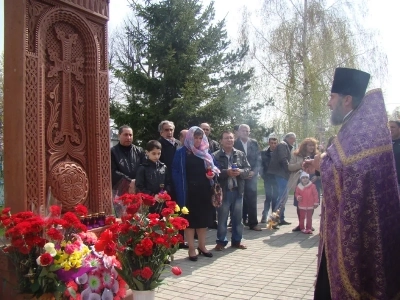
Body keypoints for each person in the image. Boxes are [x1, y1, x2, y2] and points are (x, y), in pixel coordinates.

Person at [303, 67, 400, 299]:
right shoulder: (355, 128)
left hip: (357, 229)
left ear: (346, 100)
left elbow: (356, 169)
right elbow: (346, 165)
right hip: (345, 226)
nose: (328, 103)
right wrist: (324, 164)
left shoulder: (361, 132)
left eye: (332, 97)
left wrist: (321, 166)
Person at [172, 126, 220, 261]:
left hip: (204, 190)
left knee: (203, 221)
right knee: (190, 221)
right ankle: (192, 248)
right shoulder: (182, 152)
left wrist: (213, 174)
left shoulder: (206, 152)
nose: (198, 141)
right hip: (188, 192)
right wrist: (178, 188)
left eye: (200, 138)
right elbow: (175, 171)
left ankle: (202, 246)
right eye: (195, 138)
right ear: (189, 138)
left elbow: (215, 168)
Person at [213, 131, 251, 251]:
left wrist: (240, 171)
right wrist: (226, 172)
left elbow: (248, 169)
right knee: (222, 218)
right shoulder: (215, 155)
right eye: (226, 138)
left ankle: (237, 241)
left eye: (231, 138)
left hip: (238, 191)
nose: (229, 140)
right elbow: (214, 173)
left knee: (237, 219)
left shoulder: (240, 154)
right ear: (221, 141)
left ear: (234, 139)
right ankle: (221, 241)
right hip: (223, 192)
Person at [289, 137, 320, 232]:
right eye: (309, 145)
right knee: (299, 203)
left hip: (313, 181)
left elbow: (321, 168)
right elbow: (290, 167)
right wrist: (301, 163)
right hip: (300, 181)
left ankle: (309, 225)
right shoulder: (296, 154)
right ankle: (300, 224)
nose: (311, 147)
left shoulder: (317, 156)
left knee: (311, 203)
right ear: (304, 146)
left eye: (313, 146)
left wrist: (318, 176)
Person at [234, 124, 261, 230]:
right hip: (239, 176)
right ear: (239, 132)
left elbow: (258, 159)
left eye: (247, 131)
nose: (245, 133)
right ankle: (236, 223)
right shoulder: (235, 143)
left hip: (252, 176)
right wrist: (242, 173)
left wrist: (254, 172)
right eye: (243, 131)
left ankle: (253, 223)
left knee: (252, 199)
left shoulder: (253, 143)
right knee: (237, 200)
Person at [267, 132, 296, 225]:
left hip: (281, 174)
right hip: (281, 174)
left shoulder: (284, 145)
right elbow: (283, 159)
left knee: (283, 197)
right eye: (293, 139)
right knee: (282, 197)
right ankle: (273, 221)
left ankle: (280, 218)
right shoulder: (283, 145)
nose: (294, 141)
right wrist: (289, 169)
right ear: (289, 138)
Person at [111, 125, 145, 194]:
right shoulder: (112, 152)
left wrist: (136, 181)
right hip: (120, 190)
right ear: (119, 135)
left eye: (130, 135)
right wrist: (129, 181)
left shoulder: (139, 151)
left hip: (138, 187)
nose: (128, 137)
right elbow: (113, 171)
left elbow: (144, 167)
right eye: (126, 135)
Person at [260, 134, 278, 223]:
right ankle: (264, 215)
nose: (273, 145)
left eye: (275, 143)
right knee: (268, 197)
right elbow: (261, 166)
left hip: (276, 179)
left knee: (275, 197)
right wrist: (263, 176)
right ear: (269, 143)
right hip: (267, 178)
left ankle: (274, 217)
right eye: (272, 143)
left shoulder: (278, 154)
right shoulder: (264, 154)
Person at [389, 120, 400, 191]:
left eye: (393, 127)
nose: (390, 129)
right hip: (387, 183)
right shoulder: (383, 144)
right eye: (388, 127)